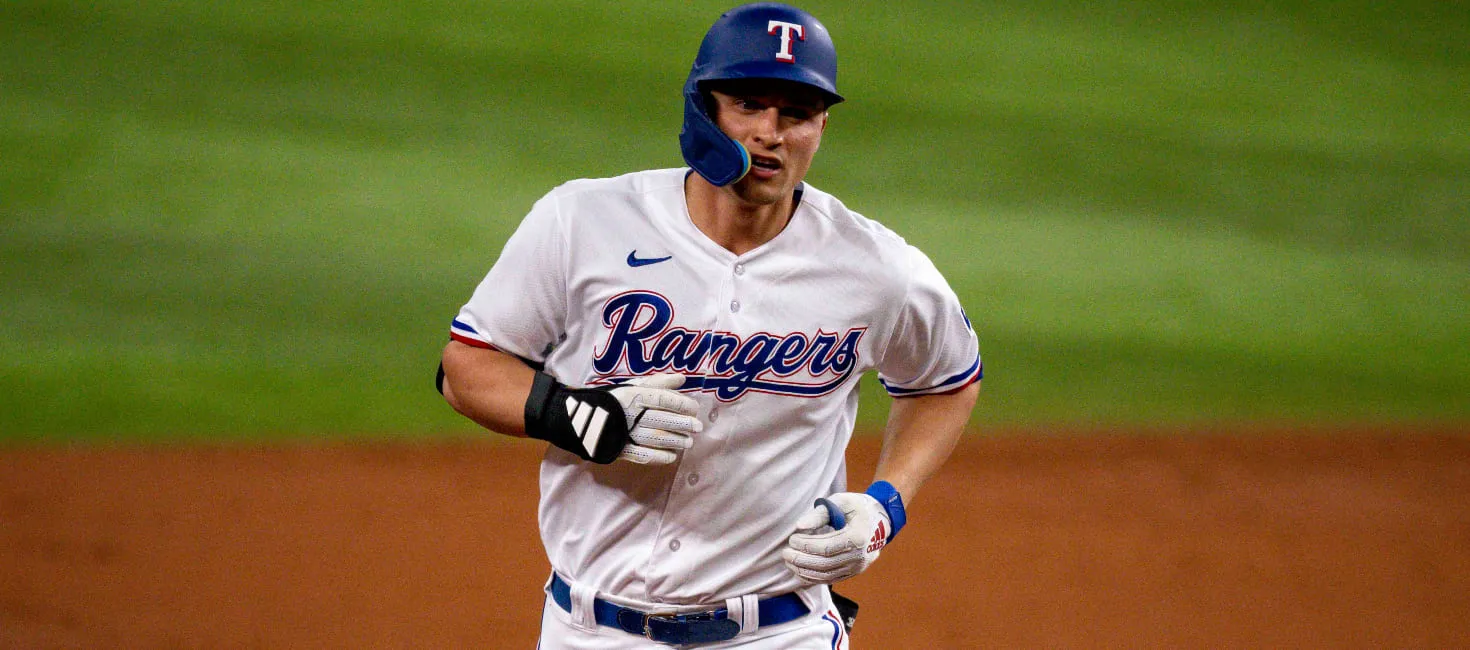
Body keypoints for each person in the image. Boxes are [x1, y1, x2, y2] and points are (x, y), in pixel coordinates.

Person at [438, 3, 980, 647]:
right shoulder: (581, 222)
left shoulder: (879, 269)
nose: (771, 133)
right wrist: (578, 416)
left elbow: (946, 383)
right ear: (704, 108)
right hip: (589, 630)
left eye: (797, 114)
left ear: (821, 127)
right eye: (749, 104)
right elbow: (465, 368)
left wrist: (885, 505)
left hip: (779, 633)